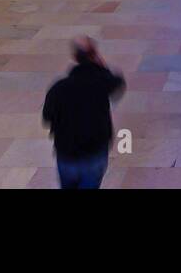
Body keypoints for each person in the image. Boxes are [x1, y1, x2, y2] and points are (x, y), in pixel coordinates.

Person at [41, 37, 126, 189]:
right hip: (94, 152)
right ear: (94, 56)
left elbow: (47, 118)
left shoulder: (58, 88)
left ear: (75, 57)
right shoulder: (101, 83)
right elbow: (118, 82)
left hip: (66, 154)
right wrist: (101, 67)